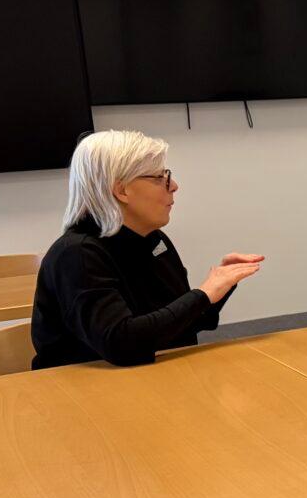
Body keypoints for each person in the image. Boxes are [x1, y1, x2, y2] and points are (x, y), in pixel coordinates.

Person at [32, 130, 262, 369]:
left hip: (153, 375)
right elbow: (121, 344)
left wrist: (221, 285)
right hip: (85, 386)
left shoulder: (153, 239)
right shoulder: (77, 254)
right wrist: (203, 294)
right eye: (160, 178)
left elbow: (183, 324)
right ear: (122, 190)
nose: (174, 186)